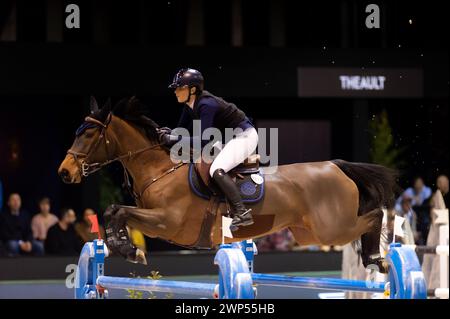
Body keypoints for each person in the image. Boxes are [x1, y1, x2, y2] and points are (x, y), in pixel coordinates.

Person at [160, 68, 259, 231]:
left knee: (216, 169)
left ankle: (242, 212)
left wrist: (172, 138)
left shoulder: (206, 104)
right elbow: (180, 132)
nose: (176, 91)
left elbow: (204, 140)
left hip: (244, 137)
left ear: (192, 89)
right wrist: (166, 133)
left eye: (180, 87)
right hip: (225, 140)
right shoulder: (189, 105)